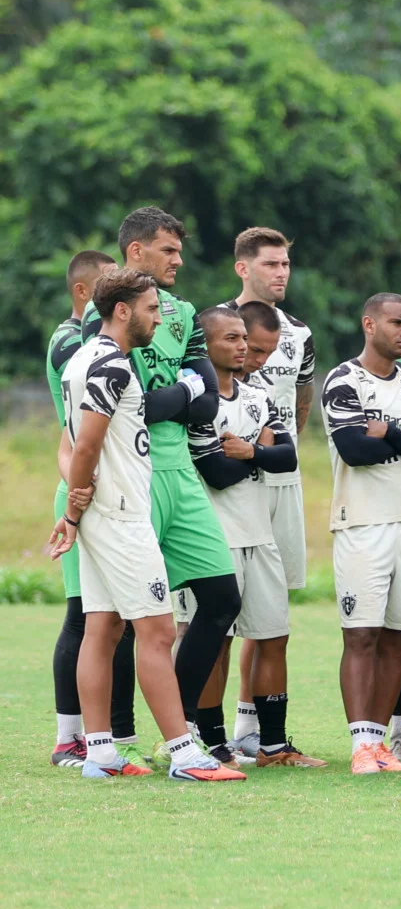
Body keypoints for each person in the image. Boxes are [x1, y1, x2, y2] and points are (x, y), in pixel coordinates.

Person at [49, 267, 244, 784]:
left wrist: (75, 510)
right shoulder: (112, 366)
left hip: (102, 515)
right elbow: (85, 446)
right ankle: (185, 753)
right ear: (122, 311)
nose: (161, 319)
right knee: (156, 631)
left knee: (102, 629)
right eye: (153, 310)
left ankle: (101, 754)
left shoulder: (84, 361)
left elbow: (65, 444)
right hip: (122, 515)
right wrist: (76, 506)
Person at [80, 208, 241, 725]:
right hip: (130, 475)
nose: (179, 259)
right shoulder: (107, 313)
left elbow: (207, 400)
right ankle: (113, 738)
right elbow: (135, 406)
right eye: (169, 250)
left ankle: (184, 723)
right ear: (136, 251)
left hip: (180, 471)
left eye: (179, 249)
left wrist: (179, 393)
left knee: (221, 598)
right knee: (114, 621)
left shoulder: (184, 311)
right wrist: (183, 391)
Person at [186, 307, 325, 768]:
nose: (243, 345)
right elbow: (217, 473)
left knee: (273, 636)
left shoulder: (258, 396)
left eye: (244, 337)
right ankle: (211, 742)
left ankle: (273, 746)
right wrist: (259, 453)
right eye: (231, 338)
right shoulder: (199, 401)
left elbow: (288, 457)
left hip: (259, 531)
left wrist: (249, 450)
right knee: (218, 639)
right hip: (213, 534)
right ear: (205, 345)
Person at [321, 293, 401, 774]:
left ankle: (378, 744)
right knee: (362, 636)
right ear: (369, 323)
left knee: (398, 636)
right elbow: (354, 449)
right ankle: (360, 746)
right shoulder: (343, 380)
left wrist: (391, 430)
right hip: (361, 524)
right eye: (397, 323)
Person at [45, 249, 141, 769]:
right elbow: (77, 437)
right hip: (84, 487)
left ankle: (106, 737)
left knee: (107, 620)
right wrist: (77, 491)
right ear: (86, 293)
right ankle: (70, 737)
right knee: (84, 618)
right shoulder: (71, 342)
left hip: (100, 484)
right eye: (107, 288)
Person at [225, 227, 315, 755]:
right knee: (221, 612)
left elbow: (301, 399)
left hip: (280, 477)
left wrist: (276, 445)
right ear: (244, 268)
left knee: (270, 612)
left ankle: (252, 729)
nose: (280, 273)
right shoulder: (213, 323)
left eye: (285, 264)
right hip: (234, 485)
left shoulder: (299, 331)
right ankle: (211, 732)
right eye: (270, 265)